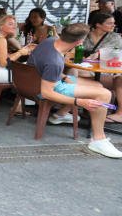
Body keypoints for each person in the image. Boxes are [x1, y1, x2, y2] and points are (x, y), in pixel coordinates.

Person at [27, 23, 122, 158]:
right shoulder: (54, 61)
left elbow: (43, 65)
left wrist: (64, 76)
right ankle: (98, 140)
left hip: (32, 81)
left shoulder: (50, 41)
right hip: (45, 87)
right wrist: (79, 102)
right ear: (79, 42)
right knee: (105, 94)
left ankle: (59, 115)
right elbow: (47, 92)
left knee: (98, 87)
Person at [80, 11, 122, 123]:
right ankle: (81, 108)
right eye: (109, 23)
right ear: (98, 24)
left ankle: (116, 112)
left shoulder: (115, 37)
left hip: (106, 72)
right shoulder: (85, 35)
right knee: (76, 73)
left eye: (114, 23)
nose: (113, 25)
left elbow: (117, 56)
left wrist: (101, 54)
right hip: (85, 68)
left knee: (118, 79)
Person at [0, 14, 34, 84]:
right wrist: (20, 52)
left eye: (15, 24)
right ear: (1, 26)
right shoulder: (1, 40)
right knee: (29, 75)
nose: (15, 27)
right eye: (10, 24)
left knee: (21, 68)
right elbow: (4, 63)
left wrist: (20, 52)